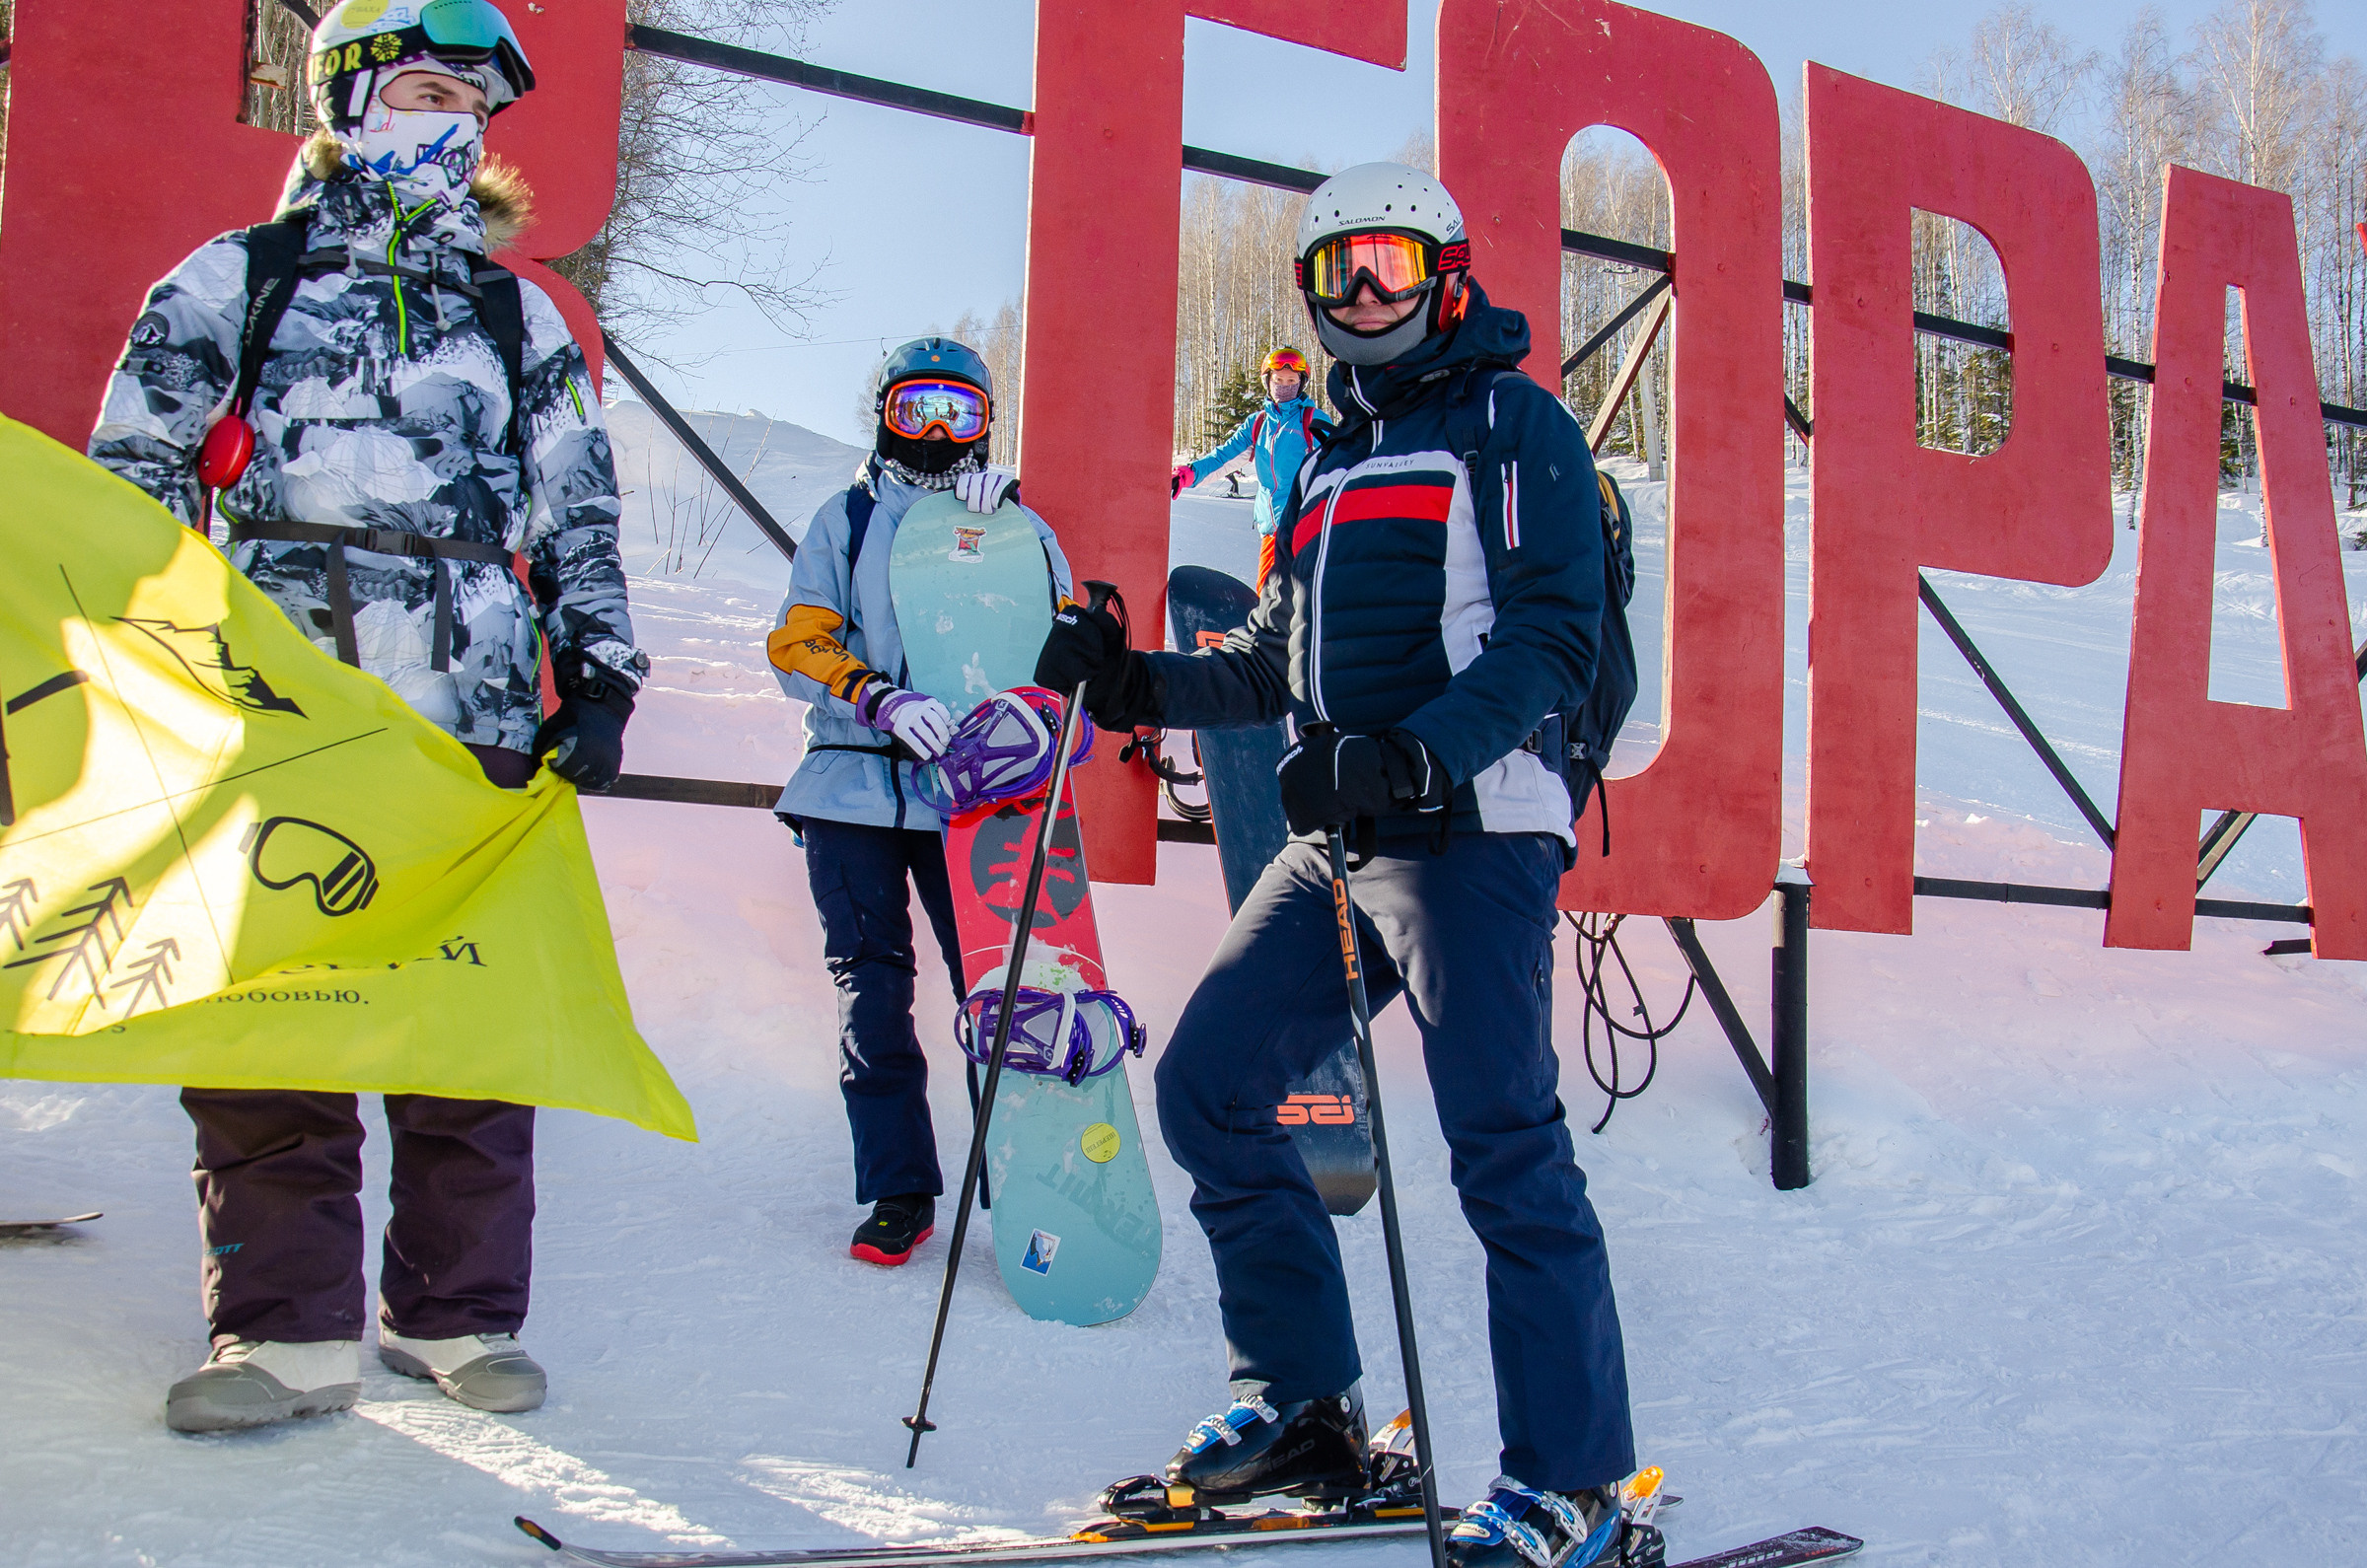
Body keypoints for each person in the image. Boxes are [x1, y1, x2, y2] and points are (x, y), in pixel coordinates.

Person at [1038, 164, 1638, 1568]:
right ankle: (1306, 1406)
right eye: (1334, 270)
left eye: (1387, 262)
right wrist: (1132, 684)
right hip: (1344, 834)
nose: (1360, 292)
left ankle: (1580, 1485)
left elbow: (1553, 640)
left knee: (1502, 1144)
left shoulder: (1516, 428)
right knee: (1210, 1089)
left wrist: (1416, 756)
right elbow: (1272, 665)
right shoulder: (1325, 458)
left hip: (1471, 830)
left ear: (1448, 272)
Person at [89, 0, 646, 1433]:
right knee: (280, 1012)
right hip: (283, 707)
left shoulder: (516, 310)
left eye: (470, 95)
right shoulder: (242, 277)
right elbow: (135, 468)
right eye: (415, 84)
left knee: (464, 1012)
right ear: (346, 99)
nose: (445, 114)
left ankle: (453, 1318)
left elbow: (574, 500)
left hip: (469, 714)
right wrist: (164, 661)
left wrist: (599, 672)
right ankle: (282, 1334)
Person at [765, 337, 1074, 1268]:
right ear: (885, 415)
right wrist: (876, 695)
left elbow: (1063, 642)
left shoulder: (1015, 520)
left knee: (1000, 986)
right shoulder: (847, 517)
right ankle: (900, 1189)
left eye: (960, 414)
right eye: (917, 411)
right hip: (853, 783)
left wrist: (1010, 544)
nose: (938, 433)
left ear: (988, 426)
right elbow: (798, 640)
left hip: (969, 795)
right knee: (875, 995)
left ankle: (1029, 1174)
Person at [1172, 347, 1334, 590]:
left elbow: (1338, 465)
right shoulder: (1258, 423)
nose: (1284, 386)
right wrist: (1188, 475)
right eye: (1278, 380)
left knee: (1305, 600)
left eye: (1291, 381)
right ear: (1267, 382)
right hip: (1271, 530)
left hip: (1306, 529)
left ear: (1301, 384)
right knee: (1266, 599)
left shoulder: (1312, 420)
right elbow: (1225, 457)